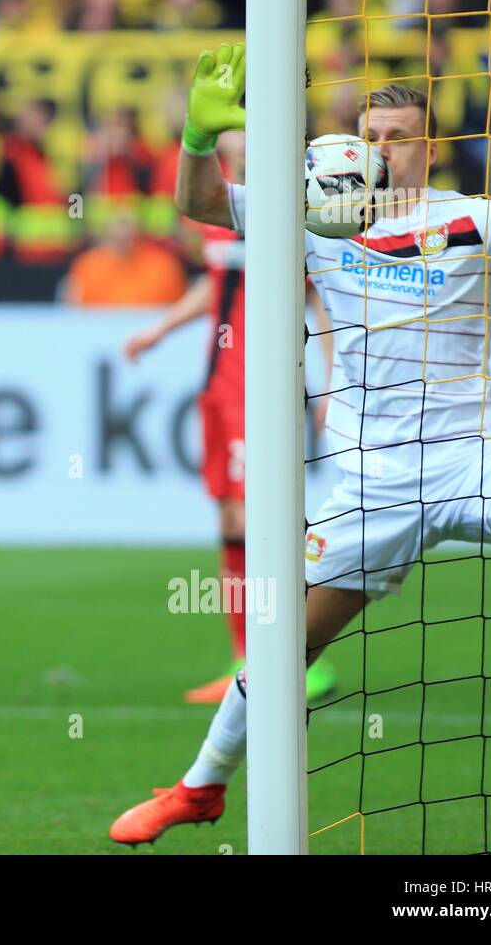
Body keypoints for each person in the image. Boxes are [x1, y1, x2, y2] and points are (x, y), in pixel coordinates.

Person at [110, 44, 491, 845]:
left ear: (429, 149)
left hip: (471, 458)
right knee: (281, 647)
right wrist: (194, 138)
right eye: (372, 133)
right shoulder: (321, 211)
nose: (383, 149)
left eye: (399, 136)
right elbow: (204, 205)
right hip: (371, 484)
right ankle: (199, 788)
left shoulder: (471, 219)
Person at [123, 129, 336, 704]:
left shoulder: (296, 212)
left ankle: (298, 656)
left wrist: (335, 379)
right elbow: (215, 283)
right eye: (232, 131)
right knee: (228, 523)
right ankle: (246, 658)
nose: (237, 138)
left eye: (247, 127)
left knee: (258, 523)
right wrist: (159, 330)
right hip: (218, 386)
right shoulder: (217, 215)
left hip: (261, 389)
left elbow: (322, 299)